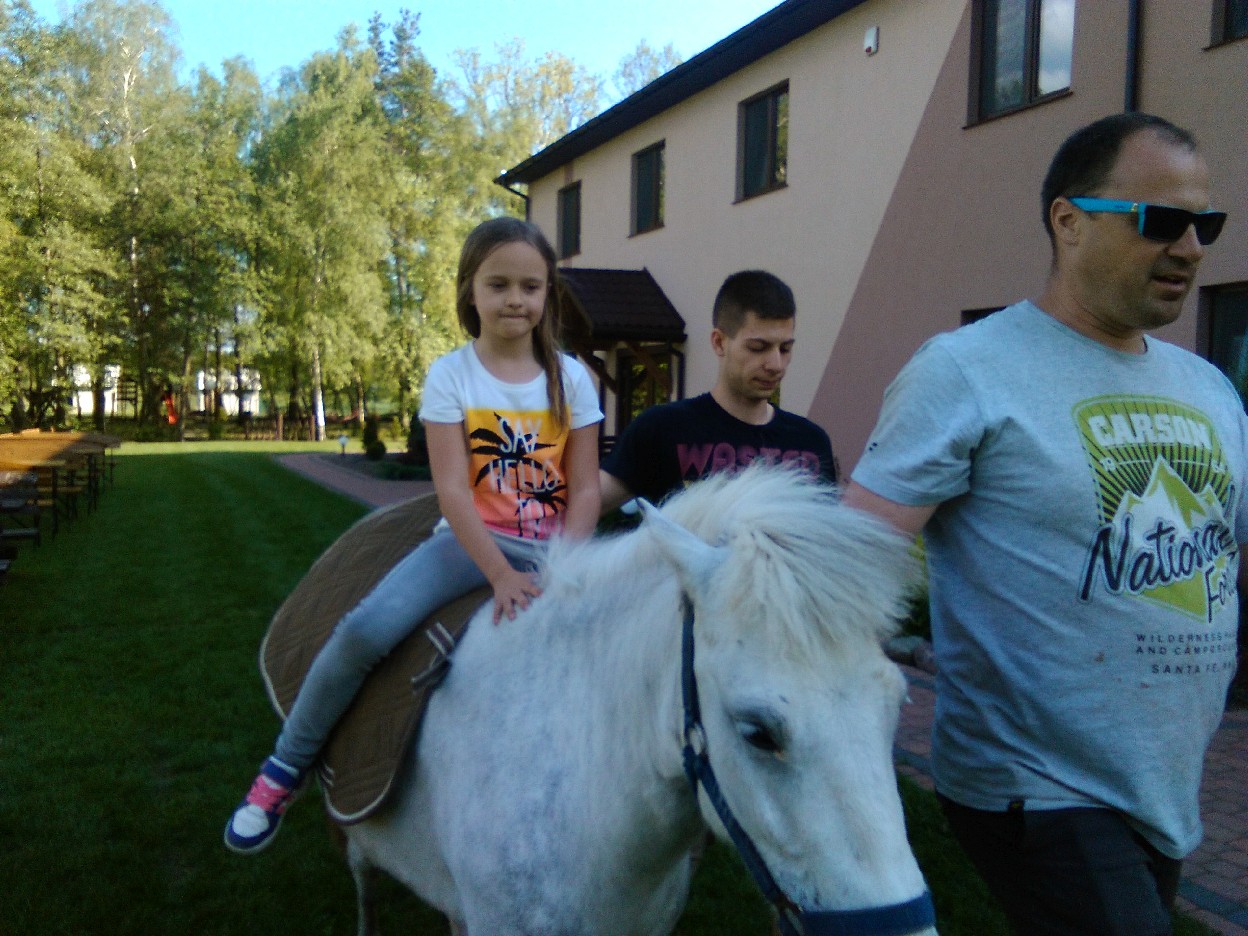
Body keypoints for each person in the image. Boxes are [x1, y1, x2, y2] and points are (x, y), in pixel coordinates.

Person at [843, 113, 1245, 935]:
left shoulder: (1209, 389)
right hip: (1035, 785)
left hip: (1161, 787)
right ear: (1069, 221)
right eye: (1160, 221)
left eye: (1205, 225)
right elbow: (845, 567)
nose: (1191, 248)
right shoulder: (966, 370)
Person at [225, 217, 603, 854]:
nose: (516, 300)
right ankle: (284, 766)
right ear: (470, 291)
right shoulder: (452, 375)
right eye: (499, 285)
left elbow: (586, 489)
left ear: (548, 294)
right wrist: (501, 575)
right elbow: (453, 492)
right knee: (364, 631)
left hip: (557, 552)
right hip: (469, 545)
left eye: (531, 286)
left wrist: (565, 565)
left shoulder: (572, 379)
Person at [600, 269, 836, 513]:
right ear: (719, 342)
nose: (776, 364)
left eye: (785, 349)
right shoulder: (663, 429)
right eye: (758, 348)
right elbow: (584, 505)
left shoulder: (812, 442)